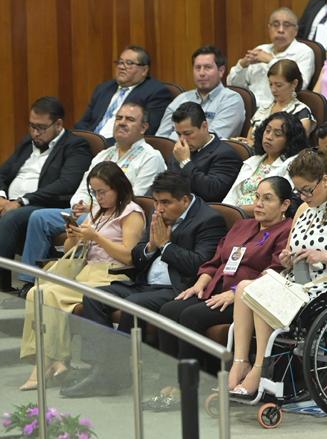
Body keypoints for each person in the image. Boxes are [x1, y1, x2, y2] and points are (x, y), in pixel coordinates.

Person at [61, 170, 226, 398]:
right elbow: (136, 256)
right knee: (95, 297)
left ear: (185, 200)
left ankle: (110, 375)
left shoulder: (208, 220)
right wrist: (150, 247)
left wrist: (165, 246)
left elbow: (200, 265)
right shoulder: (159, 215)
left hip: (177, 289)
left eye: (166, 202)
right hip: (144, 283)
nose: (159, 208)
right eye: (156, 202)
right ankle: (101, 369)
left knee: (133, 304)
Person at [227, 149, 327, 397]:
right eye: (299, 191)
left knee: (264, 295)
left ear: (325, 180)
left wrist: (325, 256)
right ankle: (240, 361)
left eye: (308, 190)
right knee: (244, 288)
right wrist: (287, 258)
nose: (304, 196)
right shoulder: (303, 210)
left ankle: (260, 368)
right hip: (299, 282)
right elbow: (289, 251)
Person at [0, 97, 92, 313]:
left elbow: (66, 184)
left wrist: (21, 201)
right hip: (6, 203)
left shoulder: (75, 146)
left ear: (58, 124)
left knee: (11, 218)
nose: (35, 133)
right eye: (32, 126)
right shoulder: (28, 143)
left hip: (39, 206)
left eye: (41, 128)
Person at [153, 176, 295, 389]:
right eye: (257, 197)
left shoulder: (286, 231)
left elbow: (275, 272)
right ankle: (167, 382)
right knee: (169, 310)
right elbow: (216, 260)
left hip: (246, 300)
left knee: (191, 316)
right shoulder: (242, 225)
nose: (258, 204)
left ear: (284, 204)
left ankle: (190, 386)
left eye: (267, 199)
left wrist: (235, 292)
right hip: (215, 288)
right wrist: (200, 283)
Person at [18, 162, 144, 390]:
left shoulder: (131, 213)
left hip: (111, 276)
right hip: (85, 272)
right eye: (94, 192)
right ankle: (51, 360)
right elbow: (70, 249)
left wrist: (97, 238)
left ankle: (48, 363)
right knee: (37, 293)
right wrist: (73, 236)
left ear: (118, 187)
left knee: (46, 294)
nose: (98, 197)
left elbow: (129, 257)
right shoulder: (97, 211)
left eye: (102, 192)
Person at [18, 100, 166, 277]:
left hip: (118, 214)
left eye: (130, 119)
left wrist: (93, 207)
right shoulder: (104, 154)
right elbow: (83, 187)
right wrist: (79, 205)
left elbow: (135, 196)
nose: (122, 122)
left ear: (143, 127)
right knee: (39, 218)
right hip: (90, 211)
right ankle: (29, 279)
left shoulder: (150, 157)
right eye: (119, 118)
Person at [227, 8, 317, 112]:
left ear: (296, 30)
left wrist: (271, 61)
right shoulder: (260, 49)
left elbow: (299, 87)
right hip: (248, 109)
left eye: (286, 25)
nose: (280, 30)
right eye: (276, 25)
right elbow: (234, 86)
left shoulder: (304, 52)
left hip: (279, 110)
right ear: (269, 28)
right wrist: (242, 65)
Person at [75, 45, 173, 136]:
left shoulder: (156, 93)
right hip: (90, 142)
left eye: (129, 63)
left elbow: (146, 131)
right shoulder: (104, 88)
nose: (121, 67)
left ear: (144, 70)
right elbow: (84, 122)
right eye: (120, 62)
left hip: (120, 145)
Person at [221, 113, 306, 214]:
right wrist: (225, 212)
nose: (269, 137)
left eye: (277, 134)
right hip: (236, 213)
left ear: (290, 140)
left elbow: (277, 204)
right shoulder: (252, 161)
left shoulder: (292, 165)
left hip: (261, 217)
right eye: (267, 131)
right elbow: (231, 196)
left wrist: (237, 211)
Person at [157, 44, 245, 140]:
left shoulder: (231, 100)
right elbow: (161, 138)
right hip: (172, 149)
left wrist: (174, 139)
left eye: (207, 67)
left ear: (221, 71)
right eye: (198, 68)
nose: (202, 73)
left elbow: (209, 140)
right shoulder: (181, 99)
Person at [167, 102, 242, 202]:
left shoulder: (226, 155)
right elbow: (166, 184)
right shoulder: (180, 150)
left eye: (187, 133)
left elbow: (212, 192)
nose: (182, 139)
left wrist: (185, 162)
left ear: (204, 126)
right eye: (179, 134)